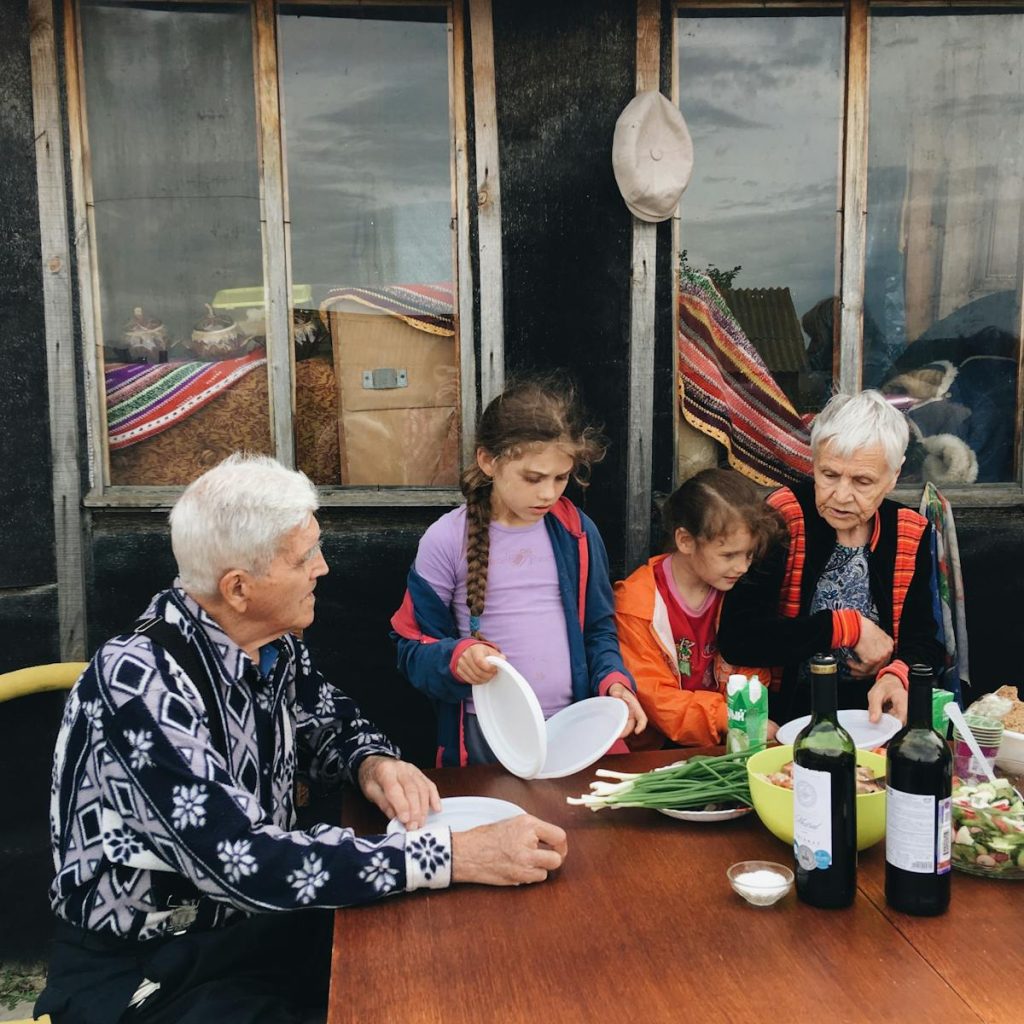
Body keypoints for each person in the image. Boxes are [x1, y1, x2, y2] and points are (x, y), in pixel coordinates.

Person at [35, 454, 567, 1024]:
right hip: (144, 964)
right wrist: (455, 854)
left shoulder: (271, 645)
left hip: (254, 929)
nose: (323, 568)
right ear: (238, 588)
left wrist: (372, 761)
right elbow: (245, 862)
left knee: (439, 969)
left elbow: (329, 715)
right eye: (304, 556)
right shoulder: (136, 683)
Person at [391, 376, 646, 766]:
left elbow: (599, 629)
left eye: (560, 478)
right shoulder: (445, 540)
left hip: (575, 728)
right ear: (488, 461)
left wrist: (614, 683)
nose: (548, 493)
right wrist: (456, 658)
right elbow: (411, 648)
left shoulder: (577, 532)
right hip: (488, 736)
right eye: (533, 478)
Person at [717, 390, 944, 727]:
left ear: (893, 476)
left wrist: (896, 675)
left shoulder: (909, 531)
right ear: (814, 464)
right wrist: (844, 628)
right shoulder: (783, 518)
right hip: (786, 716)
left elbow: (924, 639)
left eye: (862, 481)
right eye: (829, 475)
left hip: (871, 716)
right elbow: (740, 639)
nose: (841, 495)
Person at [614, 468, 781, 748]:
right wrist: (726, 717)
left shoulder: (739, 589)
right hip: (654, 751)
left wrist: (745, 715)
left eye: (749, 554)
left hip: (730, 742)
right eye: (728, 555)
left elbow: (752, 668)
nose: (742, 567)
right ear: (686, 540)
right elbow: (655, 697)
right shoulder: (637, 604)